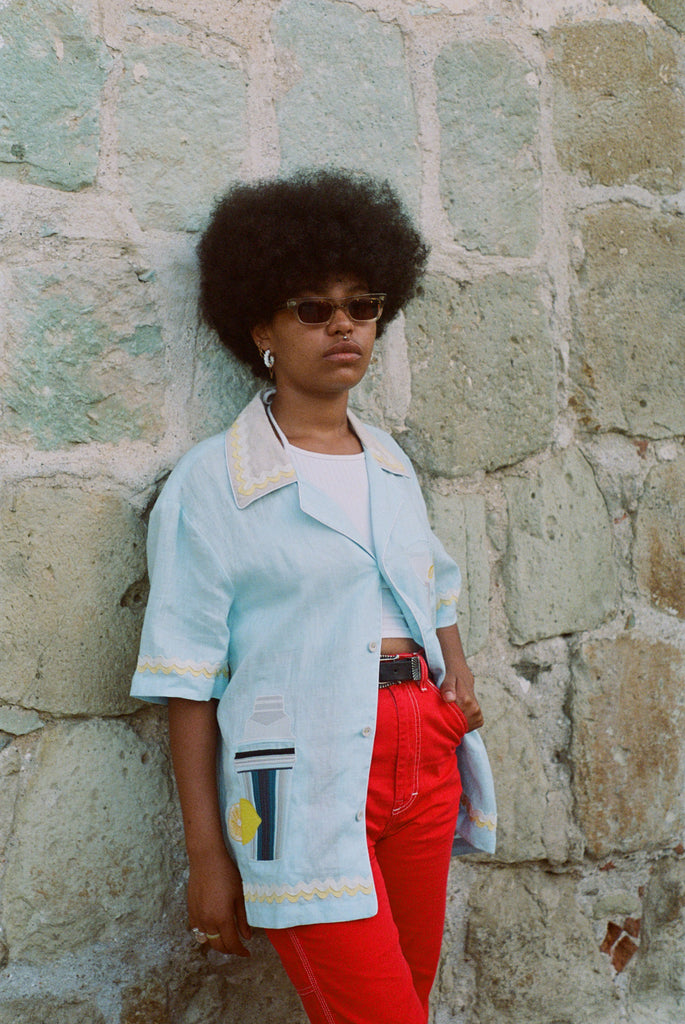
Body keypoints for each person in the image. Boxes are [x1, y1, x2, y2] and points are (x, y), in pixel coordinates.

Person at [130, 168, 496, 1024]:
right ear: (259, 326)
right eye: (311, 308)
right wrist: (208, 856)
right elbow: (188, 677)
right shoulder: (213, 484)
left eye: (362, 307)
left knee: (411, 996)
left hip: (421, 759)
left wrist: (458, 679)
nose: (342, 326)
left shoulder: (391, 463)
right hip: (300, 777)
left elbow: (430, 579)